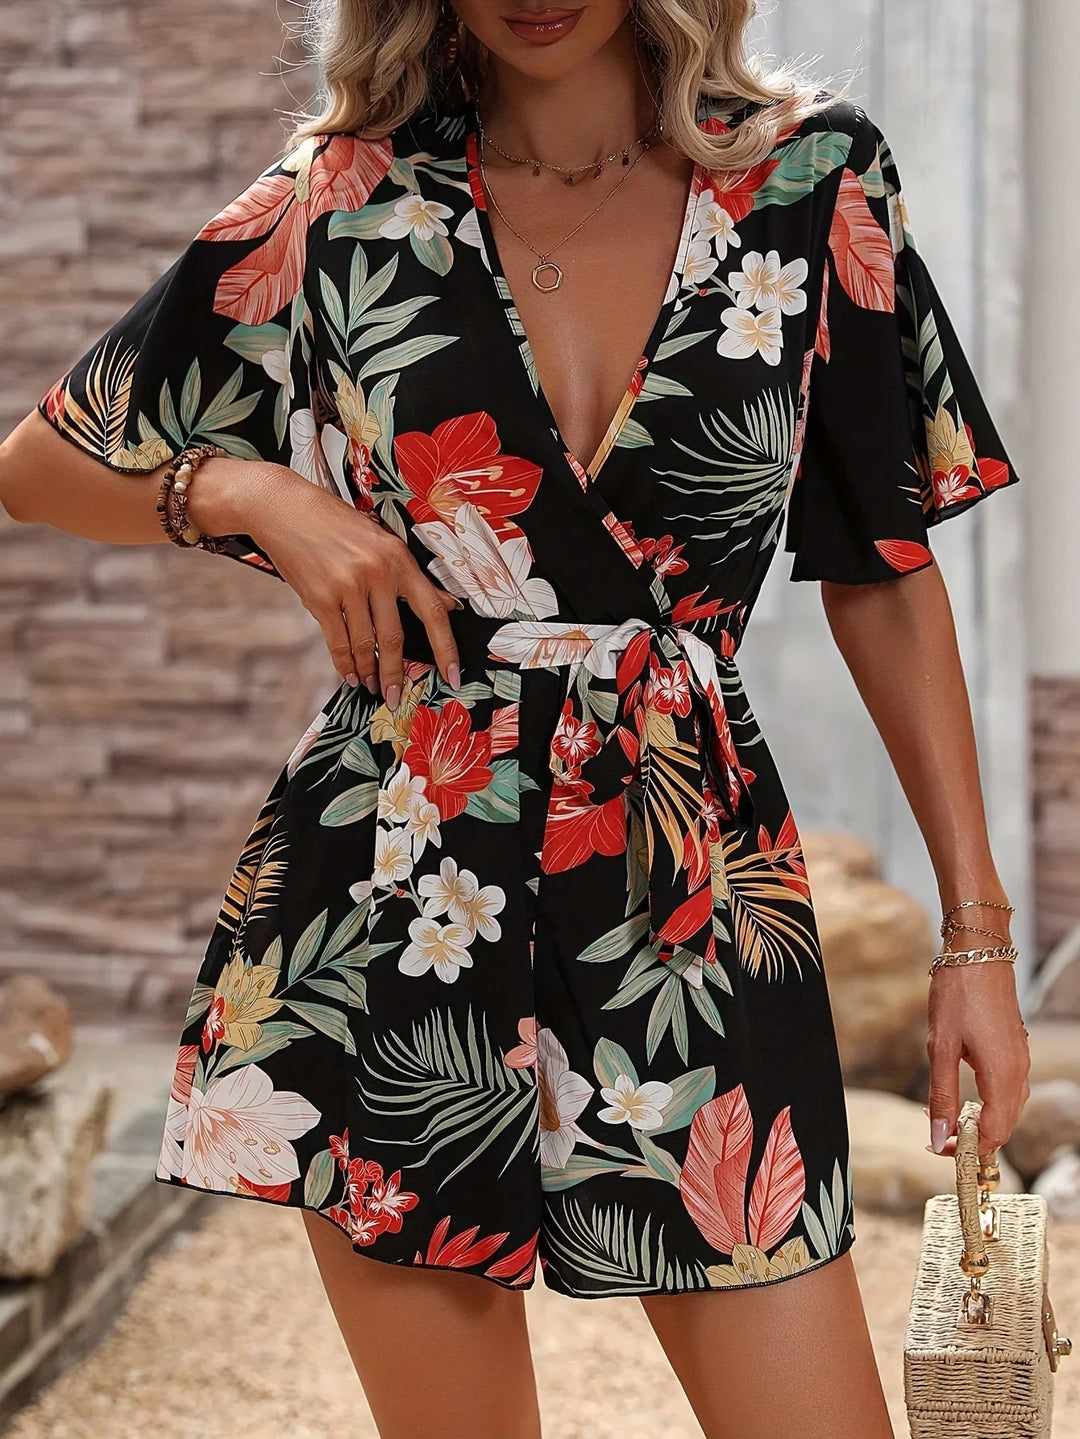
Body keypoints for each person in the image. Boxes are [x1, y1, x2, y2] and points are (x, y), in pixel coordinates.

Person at [0, 2, 1031, 1436]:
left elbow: (885, 567)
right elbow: (41, 466)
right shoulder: (344, 203)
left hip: (691, 894)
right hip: (394, 890)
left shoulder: (812, 182)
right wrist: (243, 493)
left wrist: (973, 936)